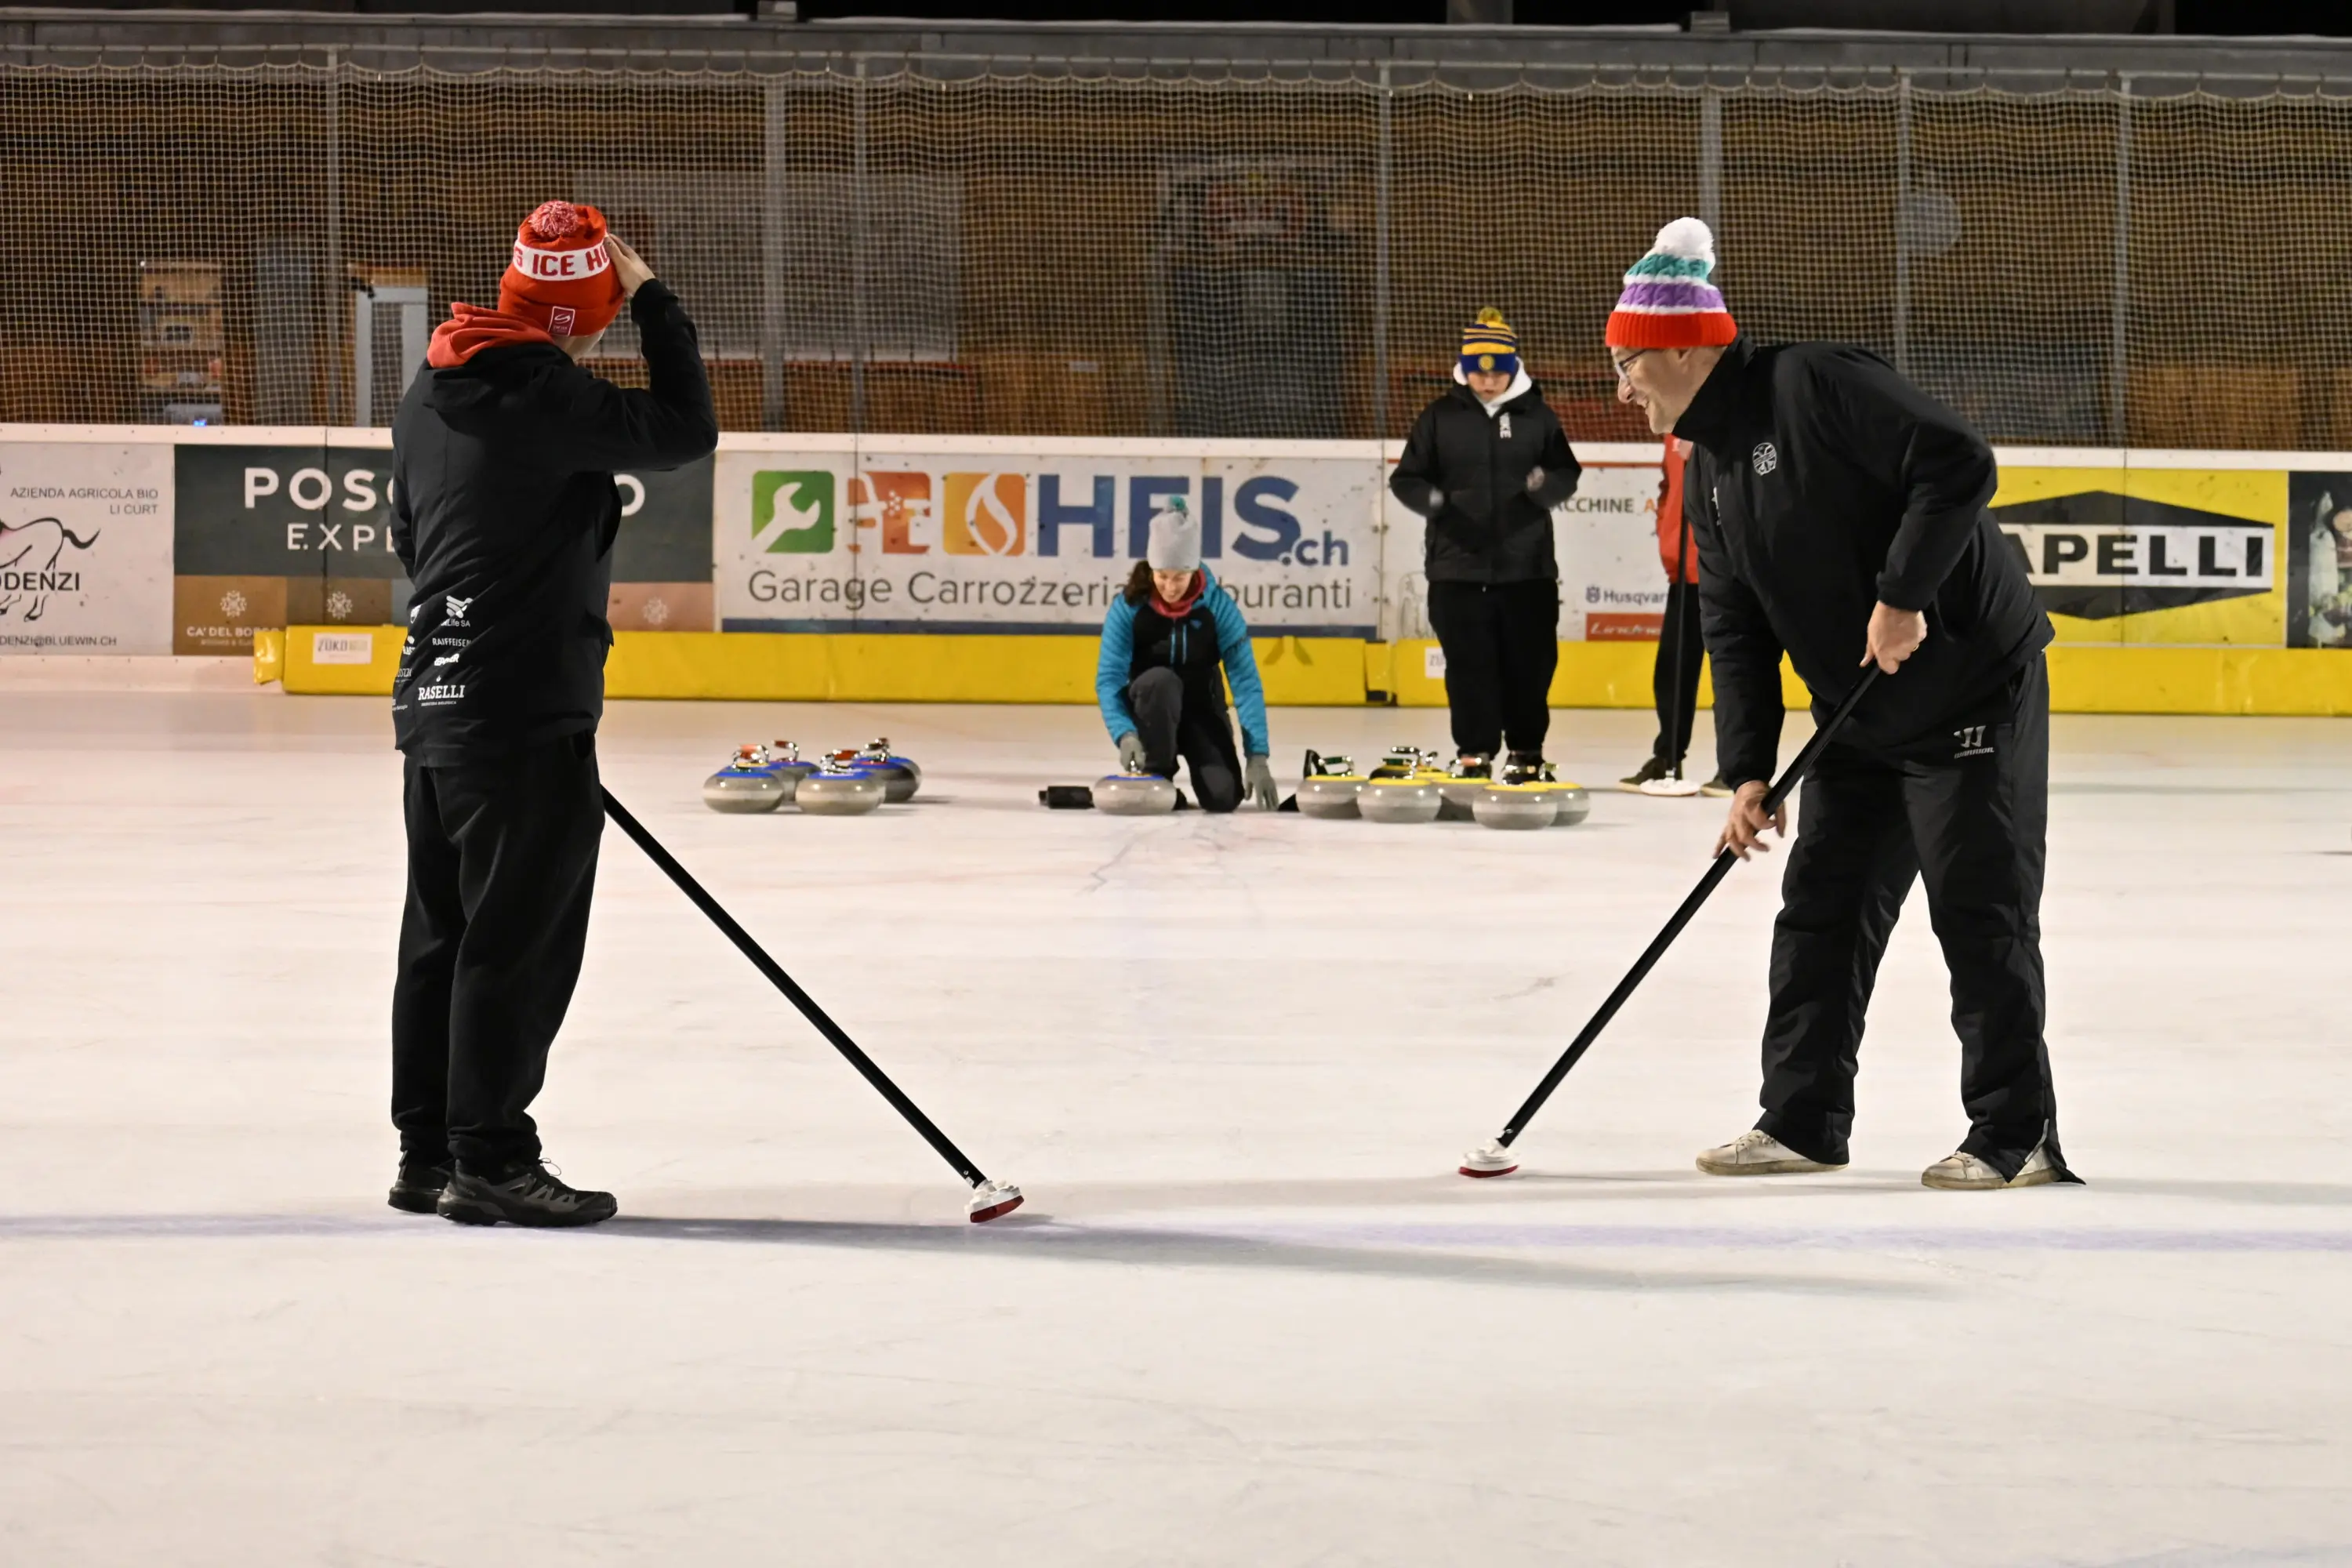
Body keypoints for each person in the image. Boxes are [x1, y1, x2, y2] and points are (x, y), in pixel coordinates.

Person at [1606, 216, 2074, 1191]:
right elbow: (1734, 630)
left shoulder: (1811, 383)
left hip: (1969, 687)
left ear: (1682, 349)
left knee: (1977, 911)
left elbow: (1958, 464)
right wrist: (1745, 771)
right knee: (1819, 908)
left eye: (1627, 363)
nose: (1621, 386)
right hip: (1860, 712)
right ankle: (1805, 1119)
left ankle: (2016, 1130)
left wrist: (1904, 595)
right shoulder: (1711, 476)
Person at [386, 200, 717, 1226]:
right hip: (521, 703)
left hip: (436, 696)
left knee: (443, 931)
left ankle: (429, 1151)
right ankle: (491, 1156)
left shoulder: (431, 388)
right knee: (516, 940)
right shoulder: (540, 387)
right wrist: (659, 300)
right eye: (607, 310)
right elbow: (684, 430)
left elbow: (408, 532)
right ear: (577, 316)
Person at [1390, 307, 1581, 782]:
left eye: (1498, 370)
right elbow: (1406, 478)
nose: (1489, 380)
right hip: (1456, 569)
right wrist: (1432, 500)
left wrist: (1544, 487)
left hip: (1528, 570)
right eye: (1479, 369)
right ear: (1465, 366)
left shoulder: (1539, 416)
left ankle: (1526, 751)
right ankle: (1474, 751)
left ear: (1513, 368)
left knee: (1530, 667)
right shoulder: (1439, 417)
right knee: (1469, 667)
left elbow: (1566, 472)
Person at [1096, 501, 1276, 813]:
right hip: (1153, 707)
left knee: (1223, 798)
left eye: (1180, 577)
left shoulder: (1218, 608)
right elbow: (1109, 678)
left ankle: (1206, 767)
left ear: (1194, 571)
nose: (1169, 586)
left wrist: (1257, 756)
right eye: (1162, 576)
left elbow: (1245, 682)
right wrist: (1124, 734)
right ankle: (1157, 774)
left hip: (1201, 709)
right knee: (1160, 681)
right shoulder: (1129, 607)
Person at [1618, 434, 1727, 796]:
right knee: (1672, 668)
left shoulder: (1728, 410)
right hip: (1685, 569)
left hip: (1728, 566)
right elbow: (1670, 487)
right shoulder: (1673, 424)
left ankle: (1738, 767)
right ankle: (1667, 756)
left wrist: (1707, 449)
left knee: (1734, 671)